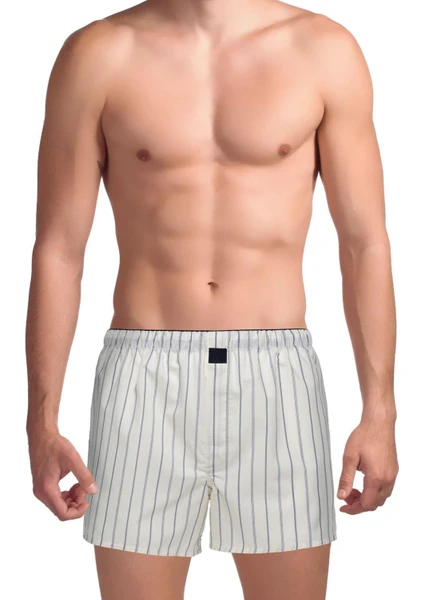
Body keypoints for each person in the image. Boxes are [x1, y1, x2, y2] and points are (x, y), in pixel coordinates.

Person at [25, 1, 399, 599]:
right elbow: (59, 251)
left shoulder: (324, 50)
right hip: (142, 375)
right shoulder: (97, 54)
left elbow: (364, 244)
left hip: (277, 375)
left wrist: (380, 413)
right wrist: (40, 422)